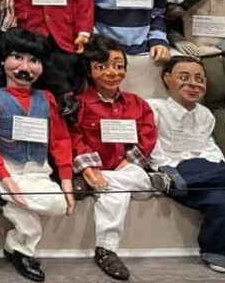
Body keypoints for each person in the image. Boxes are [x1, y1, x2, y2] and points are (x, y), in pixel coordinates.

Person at [0, 29, 74, 282]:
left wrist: (65, 179)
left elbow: (60, 139)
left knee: (60, 204)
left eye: (34, 60)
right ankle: (22, 250)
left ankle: (1, 199)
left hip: (38, 169)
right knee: (28, 219)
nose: (25, 67)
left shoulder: (47, 98)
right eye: (17, 58)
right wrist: (5, 178)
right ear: (3, 61)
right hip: (7, 168)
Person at [68, 36, 163, 281]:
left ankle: (89, 185)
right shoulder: (80, 104)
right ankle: (106, 249)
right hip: (97, 171)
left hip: (128, 169)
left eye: (119, 66)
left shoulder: (137, 103)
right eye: (102, 67)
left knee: (134, 180)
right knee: (116, 193)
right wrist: (88, 168)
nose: (112, 72)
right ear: (89, 71)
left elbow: (148, 134)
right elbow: (75, 137)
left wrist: (130, 162)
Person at [149, 56, 225, 274]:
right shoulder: (155, 108)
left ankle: (175, 183)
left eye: (199, 79)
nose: (193, 83)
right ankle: (220, 252)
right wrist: (164, 167)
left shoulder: (206, 115)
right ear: (167, 79)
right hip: (172, 166)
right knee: (222, 193)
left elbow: (209, 146)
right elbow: (151, 146)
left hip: (198, 171)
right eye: (184, 77)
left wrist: (215, 166)